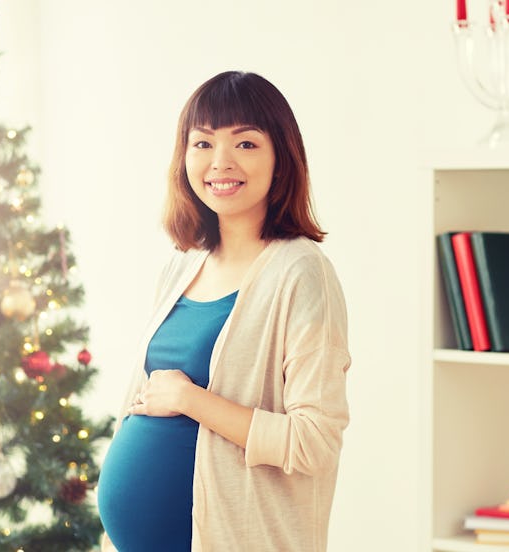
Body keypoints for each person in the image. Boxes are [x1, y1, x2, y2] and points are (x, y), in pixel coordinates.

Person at [96, 70, 351, 552]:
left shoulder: (302, 272)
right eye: (203, 143)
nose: (221, 162)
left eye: (247, 144)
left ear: (282, 157)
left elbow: (313, 441)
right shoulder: (182, 264)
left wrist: (190, 399)